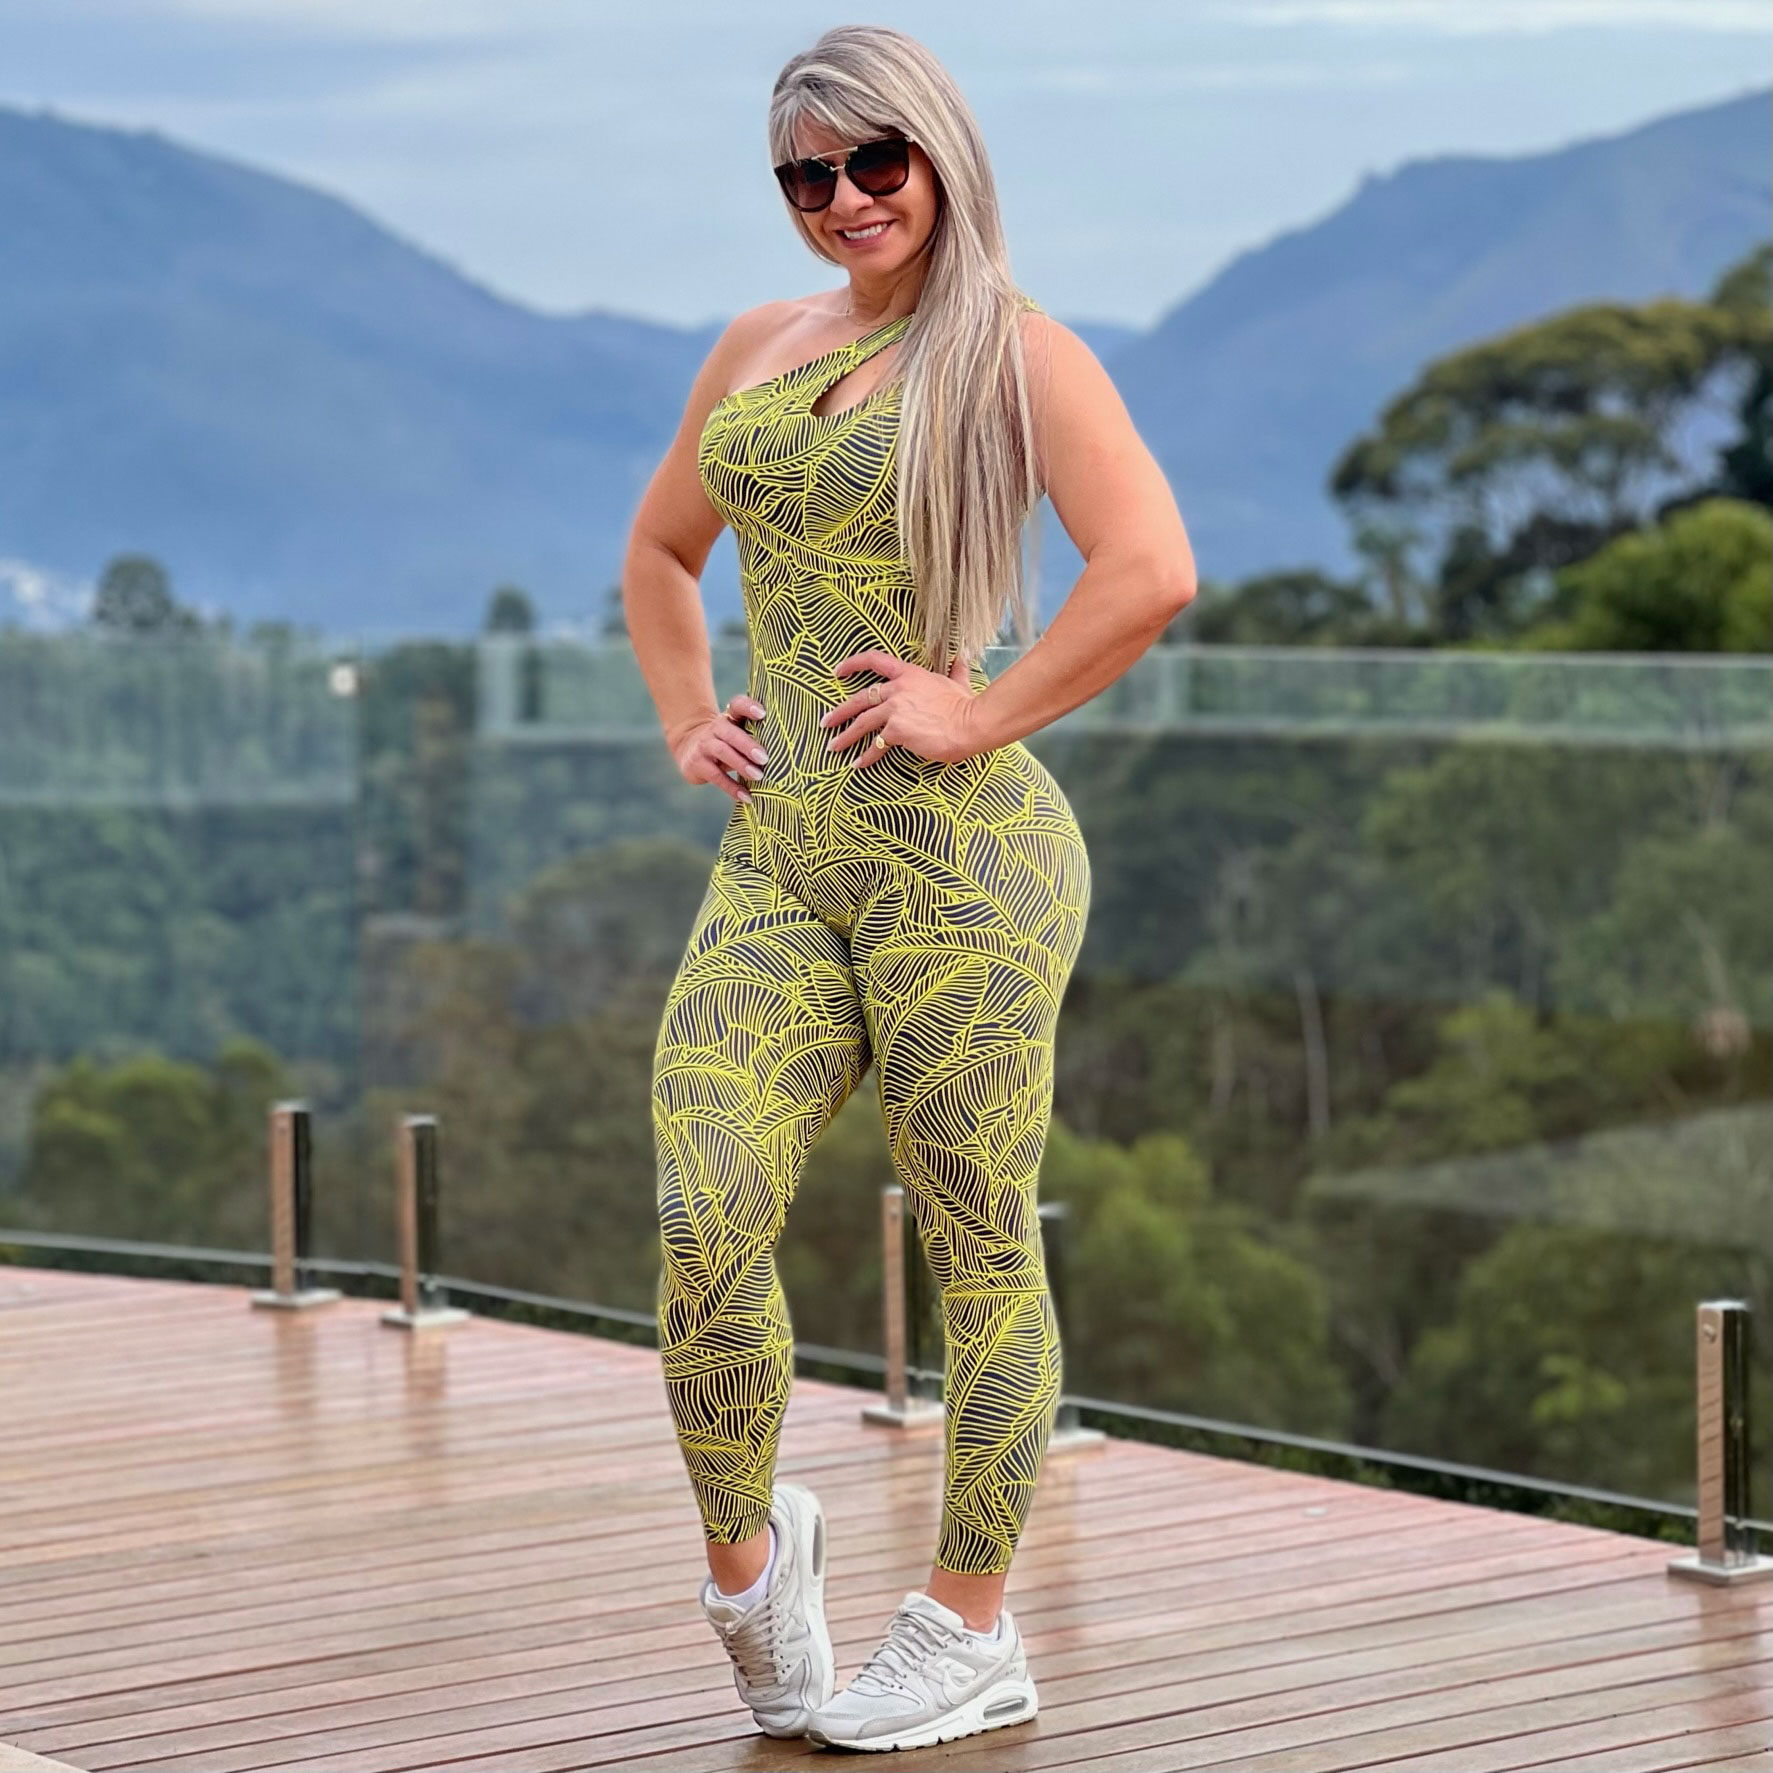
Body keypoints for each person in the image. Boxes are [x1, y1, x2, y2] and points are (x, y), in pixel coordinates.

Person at [622, 22, 1195, 1754]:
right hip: (782, 854)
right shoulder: (757, 344)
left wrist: (980, 708)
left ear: (938, 157)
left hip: (966, 866)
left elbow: (1149, 568)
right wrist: (686, 714)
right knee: (700, 1207)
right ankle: (751, 1571)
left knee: (975, 1241)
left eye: (876, 162)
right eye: (806, 174)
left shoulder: (1015, 351)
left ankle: (970, 1625)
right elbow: (661, 549)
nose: (843, 198)